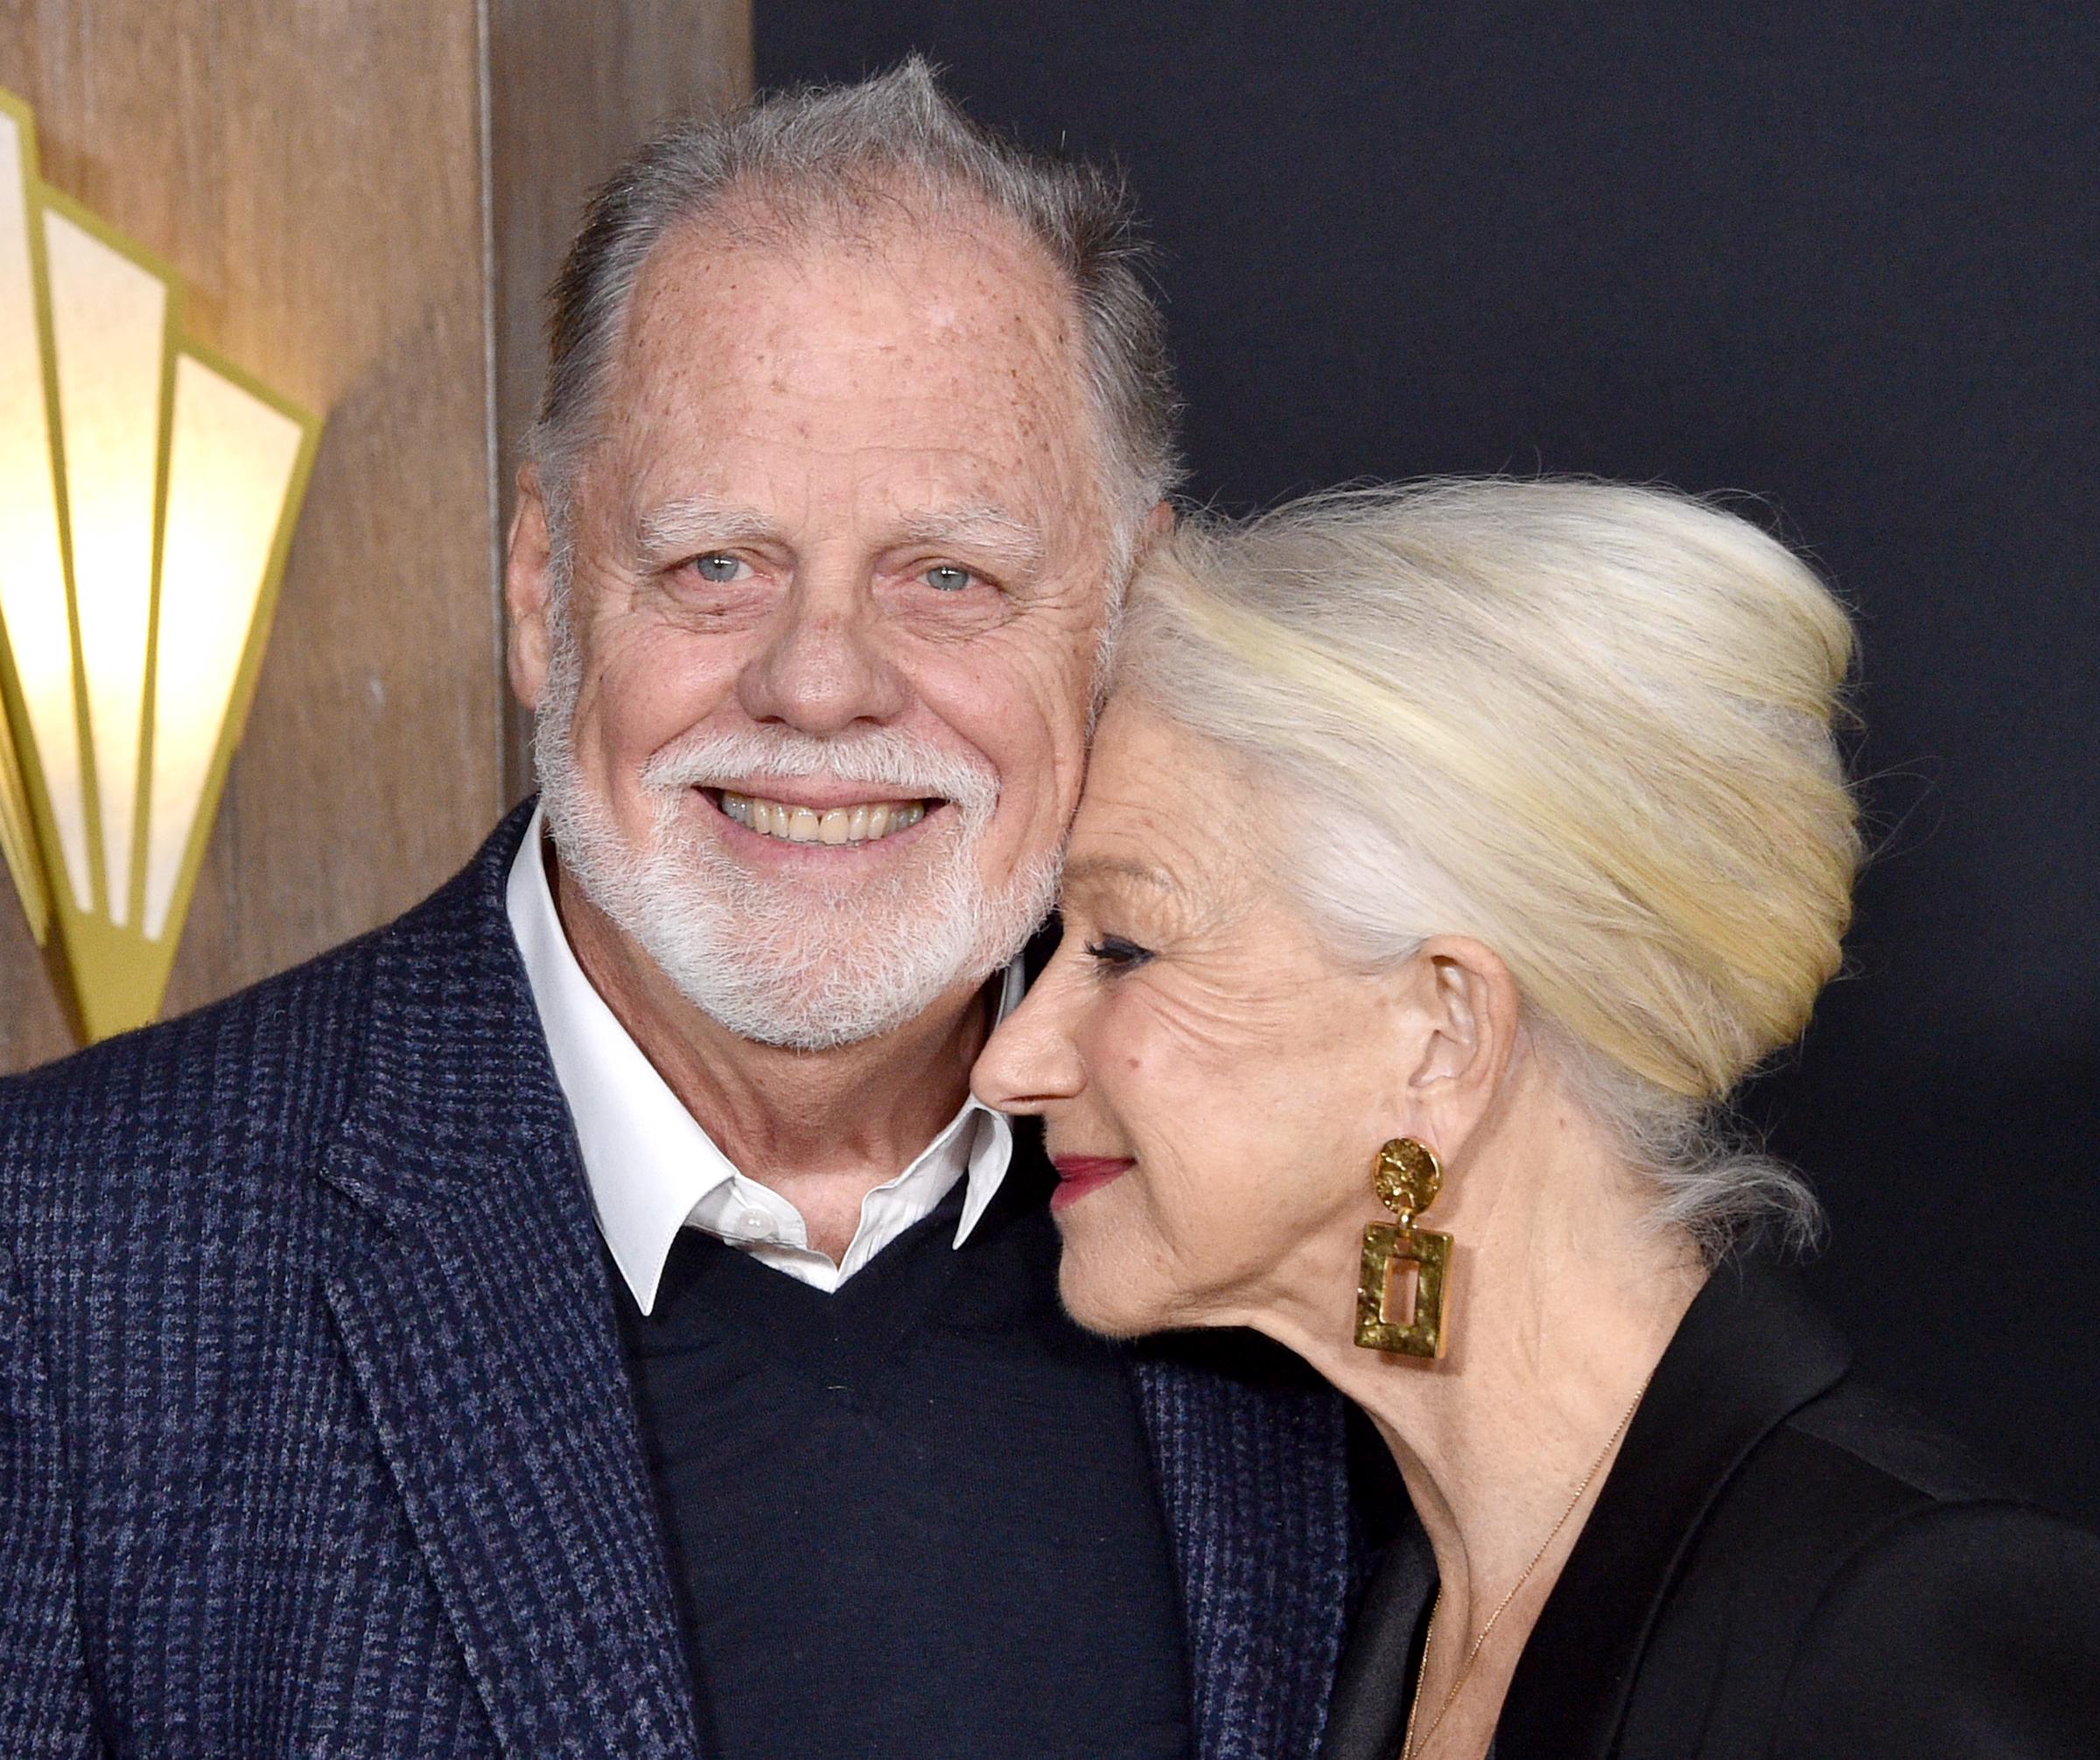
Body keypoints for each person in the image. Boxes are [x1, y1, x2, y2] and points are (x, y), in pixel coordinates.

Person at [0, 66, 1362, 1760]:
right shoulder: (57, 1271)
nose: (818, 683)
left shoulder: (1301, 1201)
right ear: (538, 585)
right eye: (718, 563)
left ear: (1132, 610)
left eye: (950, 574)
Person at [975, 479, 2100, 1760]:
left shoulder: (1909, 1643)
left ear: (1444, 1031)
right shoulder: (1371, 1613)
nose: (1011, 1062)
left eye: (1122, 944)